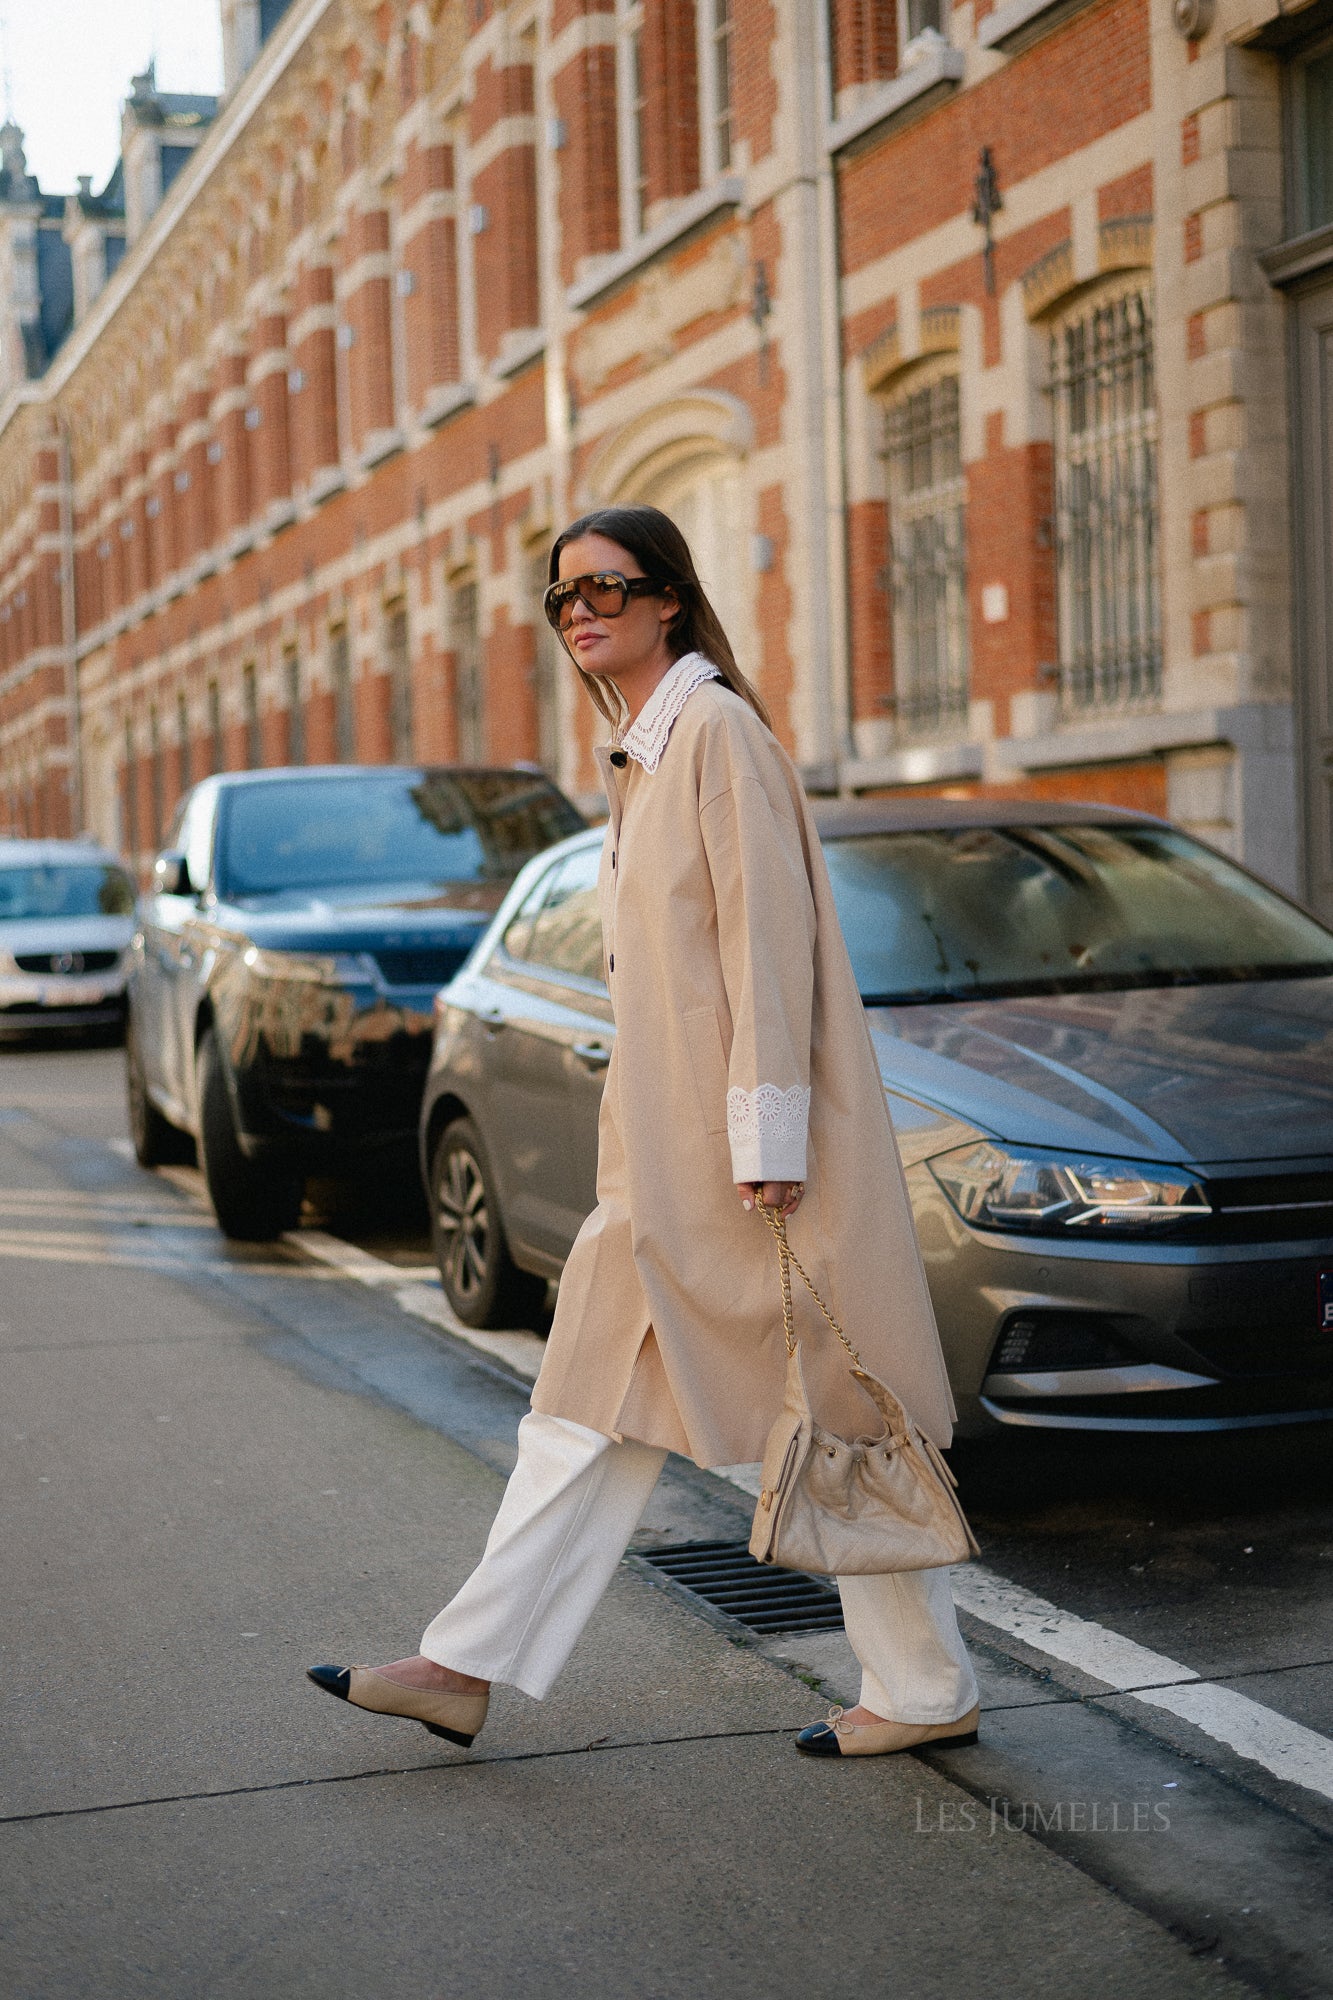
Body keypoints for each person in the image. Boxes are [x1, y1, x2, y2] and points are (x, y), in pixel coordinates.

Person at [308, 505, 979, 1758]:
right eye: (561, 597)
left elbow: (766, 948)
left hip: (745, 1164)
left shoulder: (713, 730)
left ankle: (925, 1689)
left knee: (834, 1403)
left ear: (669, 596)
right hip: (661, 1169)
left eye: (605, 587)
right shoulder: (643, 753)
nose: (580, 611)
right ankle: (462, 1662)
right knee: (587, 1405)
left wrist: (769, 1143)